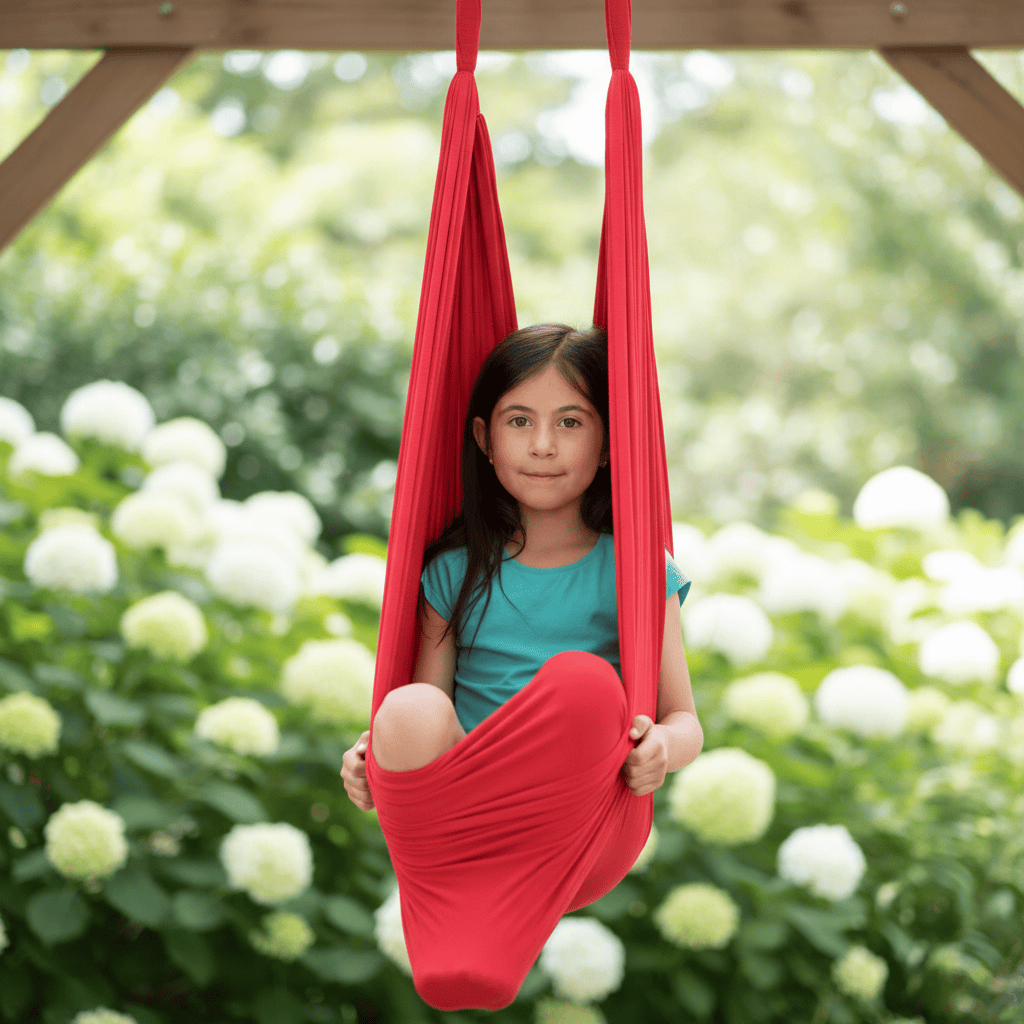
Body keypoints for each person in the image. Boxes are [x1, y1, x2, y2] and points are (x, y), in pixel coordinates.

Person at [341, 323, 702, 812]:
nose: (543, 445)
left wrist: (662, 746)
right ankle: (441, 856)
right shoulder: (454, 571)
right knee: (407, 708)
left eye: (570, 422)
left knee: (583, 682)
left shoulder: (636, 570)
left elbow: (684, 720)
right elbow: (428, 713)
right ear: (484, 439)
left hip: (575, 810)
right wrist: (373, 757)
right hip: (467, 800)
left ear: (609, 445)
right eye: (519, 422)